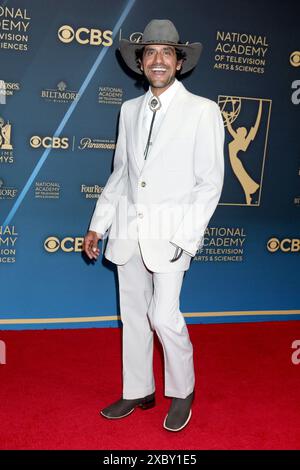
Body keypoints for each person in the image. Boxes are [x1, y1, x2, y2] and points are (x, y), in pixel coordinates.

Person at [84, 19, 224, 432]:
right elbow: (121, 174)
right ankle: (138, 389)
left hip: (171, 233)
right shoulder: (128, 111)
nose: (158, 60)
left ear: (179, 62)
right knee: (132, 316)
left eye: (167, 53)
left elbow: (210, 183)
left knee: (164, 316)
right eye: (150, 53)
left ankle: (182, 391)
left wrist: (187, 235)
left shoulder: (203, 112)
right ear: (139, 62)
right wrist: (98, 224)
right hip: (127, 231)